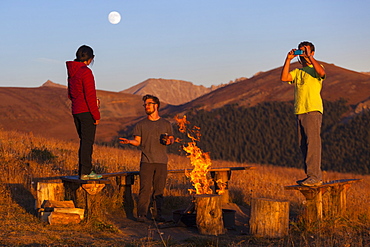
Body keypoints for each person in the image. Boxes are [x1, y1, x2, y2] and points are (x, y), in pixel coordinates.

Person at [119, 94, 174, 222]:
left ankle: (157, 215)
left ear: (157, 106)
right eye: (145, 105)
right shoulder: (141, 124)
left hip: (161, 162)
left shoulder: (166, 124)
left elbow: (171, 138)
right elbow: (138, 141)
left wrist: (169, 141)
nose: (146, 106)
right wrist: (129, 142)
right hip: (146, 161)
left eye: (149, 104)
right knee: (145, 189)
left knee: (159, 190)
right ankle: (142, 215)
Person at [280, 41, 326, 187]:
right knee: (303, 145)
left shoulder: (316, 69)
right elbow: (284, 77)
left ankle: (315, 177)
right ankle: (310, 176)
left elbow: (322, 73)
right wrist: (288, 59)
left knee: (313, 143)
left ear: (312, 53)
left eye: (305, 52)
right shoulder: (298, 72)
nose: (303, 55)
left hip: (312, 110)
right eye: (301, 52)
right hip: (300, 110)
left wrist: (310, 58)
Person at [66, 45, 102, 180]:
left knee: (83, 142)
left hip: (76, 110)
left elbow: (70, 94)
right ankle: (86, 172)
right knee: (88, 142)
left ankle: (83, 171)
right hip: (86, 111)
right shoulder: (85, 72)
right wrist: (96, 115)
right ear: (90, 59)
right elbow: (90, 96)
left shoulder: (72, 71)